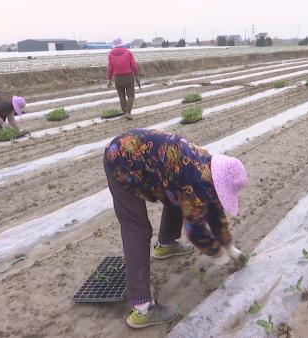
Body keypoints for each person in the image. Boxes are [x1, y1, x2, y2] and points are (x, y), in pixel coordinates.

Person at [103, 128, 248, 328]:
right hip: (120, 160)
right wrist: (221, 254)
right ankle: (142, 309)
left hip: (142, 155)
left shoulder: (206, 166)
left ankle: (165, 244)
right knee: (137, 229)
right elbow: (196, 231)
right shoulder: (196, 182)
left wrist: (231, 248)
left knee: (178, 198)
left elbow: (214, 210)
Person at [107, 38, 141, 120]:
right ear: (122, 44)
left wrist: (109, 79)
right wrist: (136, 75)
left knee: (121, 96)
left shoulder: (110, 55)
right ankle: (128, 112)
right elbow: (134, 66)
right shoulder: (128, 53)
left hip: (117, 78)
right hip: (128, 76)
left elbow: (110, 68)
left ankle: (124, 112)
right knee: (131, 95)